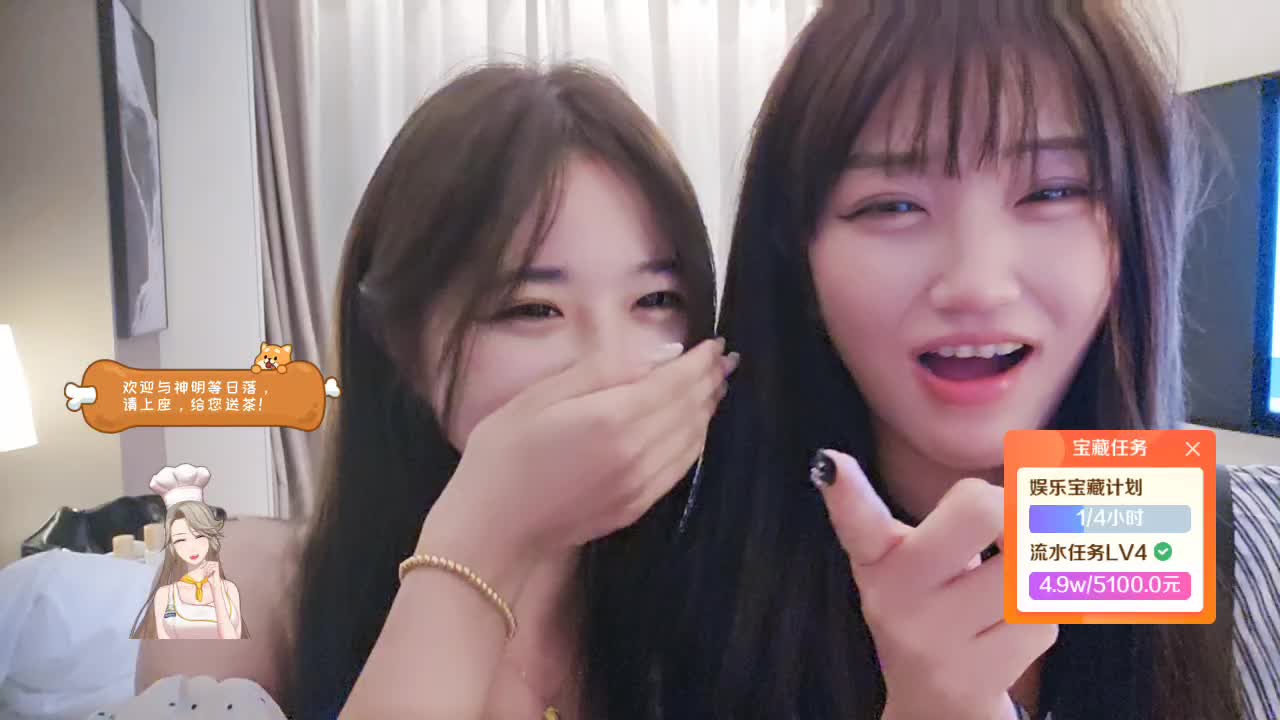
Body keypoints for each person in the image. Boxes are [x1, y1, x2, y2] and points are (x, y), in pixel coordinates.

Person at [663, 2, 1280, 719]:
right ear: (797, 260)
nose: (978, 285)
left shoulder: (1253, 543)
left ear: (1135, 235)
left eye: (1053, 192)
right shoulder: (675, 605)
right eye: (892, 206)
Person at [135, 63, 731, 718]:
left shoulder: (718, 598)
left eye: (656, 300)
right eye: (532, 308)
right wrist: (482, 534)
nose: (610, 365)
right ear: (400, 341)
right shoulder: (220, 577)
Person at [131, 464, 246, 640]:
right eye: (180, 540)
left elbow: (235, 640)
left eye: (198, 536)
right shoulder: (165, 595)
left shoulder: (230, 589)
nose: (191, 547)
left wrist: (216, 590)